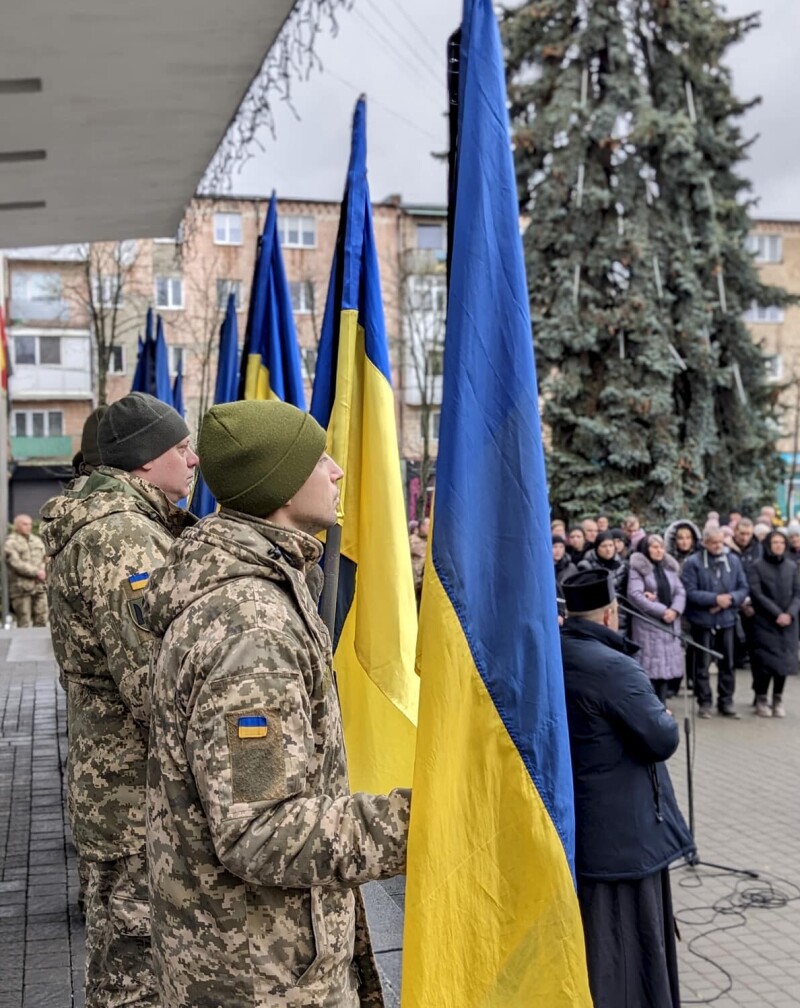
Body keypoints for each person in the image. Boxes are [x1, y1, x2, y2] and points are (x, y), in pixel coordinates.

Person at [146, 400, 411, 1008]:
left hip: (250, 956)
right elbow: (261, 831)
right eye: (320, 460)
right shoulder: (253, 630)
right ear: (282, 485)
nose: (338, 472)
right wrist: (418, 823)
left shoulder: (257, 589)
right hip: (262, 975)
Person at [40, 392, 197, 1007]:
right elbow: (155, 681)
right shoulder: (124, 538)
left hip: (116, 788)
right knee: (137, 972)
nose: (194, 460)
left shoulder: (113, 524)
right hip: (135, 794)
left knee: (124, 959)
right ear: (143, 461)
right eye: (180, 448)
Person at [560, 569, 694, 1008]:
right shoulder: (614, 667)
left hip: (581, 825)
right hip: (625, 837)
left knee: (596, 944)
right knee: (629, 948)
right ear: (610, 614)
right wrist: (666, 719)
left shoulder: (556, 652)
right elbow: (661, 739)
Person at [681, 528, 749, 719]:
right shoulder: (693, 562)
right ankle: (704, 702)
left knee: (728, 663)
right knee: (702, 664)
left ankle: (726, 701)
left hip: (727, 620)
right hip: (702, 622)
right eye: (714, 542)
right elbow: (689, 591)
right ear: (705, 543)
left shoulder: (733, 561)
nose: (718, 545)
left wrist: (731, 599)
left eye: (721, 541)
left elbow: (743, 587)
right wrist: (714, 599)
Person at [627, 536, 686, 704]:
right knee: (650, 671)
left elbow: (680, 591)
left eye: (661, 547)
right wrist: (662, 611)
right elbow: (635, 595)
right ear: (646, 549)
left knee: (665, 671)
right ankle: (651, 707)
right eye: (654, 547)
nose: (659, 550)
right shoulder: (638, 569)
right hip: (649, 626)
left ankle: (663, 705)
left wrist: (675, 610)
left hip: (669, 624)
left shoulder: (669, 568)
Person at [747, 530, 800, 718]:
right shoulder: (757, 566)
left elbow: (797, 593)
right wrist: (777, 613)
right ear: (768, 545)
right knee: (765, 662)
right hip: (766, 622)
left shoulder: (792, 566)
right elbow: (757, 593)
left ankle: (778, 698)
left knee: (783, 663)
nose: (778, 546)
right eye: (775, 542)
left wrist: (790, 613)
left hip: (788, 623)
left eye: (781, 542)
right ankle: (761, 697)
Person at [578, 531, 629, 630]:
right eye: (604, 546)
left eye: (610, 545)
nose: (608, 549)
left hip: (619, 614)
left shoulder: (622, 566)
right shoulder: (586, 566)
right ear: (597, 548)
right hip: (596, 615)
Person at [4, 514, 48, 627]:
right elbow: (15, 563)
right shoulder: (11, 542)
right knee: (24, 622)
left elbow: (45, 558)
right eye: (25, 524)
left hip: (40, 586)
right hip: (21, 589)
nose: (28, 527)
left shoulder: (37, 541)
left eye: (30, 524)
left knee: (42, 619)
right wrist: (36, 572)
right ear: (16, 526)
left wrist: (43, 570)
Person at [409, 515, 430, 604]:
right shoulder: (411, 540)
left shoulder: (431, 543)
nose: (430, 528)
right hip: (413, 582)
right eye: (428, 525)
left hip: (425, 585)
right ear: (421, 526)